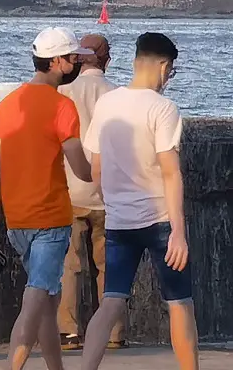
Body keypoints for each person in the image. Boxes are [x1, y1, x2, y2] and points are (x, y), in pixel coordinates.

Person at [0, 27, 96, 370]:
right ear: (57, 62)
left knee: (47, 300)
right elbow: (80, 166)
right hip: (50, 218)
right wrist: (105, 171)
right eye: (73, 58)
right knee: (34, 302)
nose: (76, 64)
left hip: (17, 220)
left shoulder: (7, 104)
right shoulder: (62, 107)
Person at [81, 33, 196, 370]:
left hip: (119, 222)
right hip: (160, 219)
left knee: (111, 302)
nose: (168, 80)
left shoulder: (107, 104)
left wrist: (112, 201)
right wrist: (178, 231)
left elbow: (96, 168)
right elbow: (171, 173)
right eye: (170, 72)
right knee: (180, 304)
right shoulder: (163, 108)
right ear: (163, 66)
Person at [56, 34, 125, 350]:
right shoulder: (117, 95)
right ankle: (113, 333)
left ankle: (68, 330)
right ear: (106, 59)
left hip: (70, 189)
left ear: (79, 59)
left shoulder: (63, 92)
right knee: (108, 265)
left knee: (70, 265)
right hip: (108, 193)